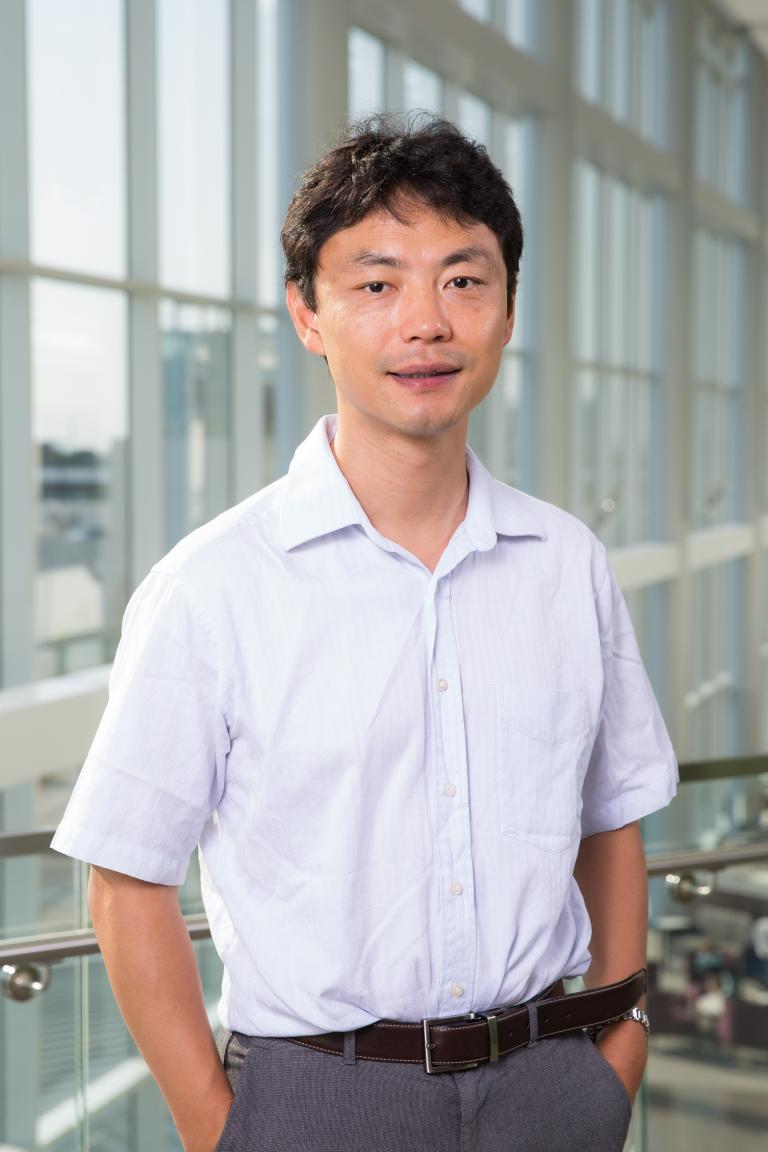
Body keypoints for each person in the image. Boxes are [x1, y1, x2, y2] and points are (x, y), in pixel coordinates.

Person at [52, 114, 678, 1152]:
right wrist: (218, 1130)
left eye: (463, 281)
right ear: (308, 314)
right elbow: (125, 880)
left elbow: (612, 818)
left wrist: (619, 1043)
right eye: (378, 285)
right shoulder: (213, 586)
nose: (426, 323)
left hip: (553, 1088)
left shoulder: (569, 564)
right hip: (319, 1100)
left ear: (509, 308)